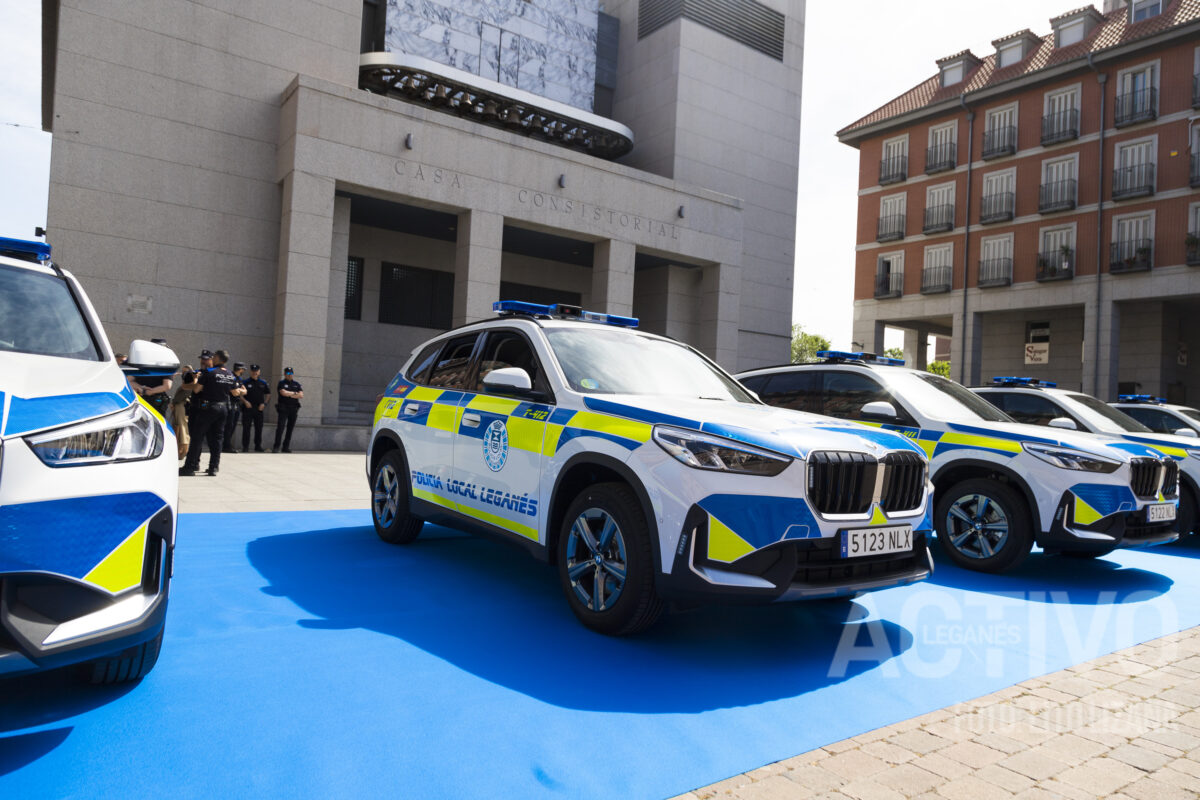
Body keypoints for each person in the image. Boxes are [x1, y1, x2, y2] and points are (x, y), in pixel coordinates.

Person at [179, 349, 239, 476]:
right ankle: (214, 467)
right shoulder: (229, 374)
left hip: (208, 408)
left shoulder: (209, 372)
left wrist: (196, 381)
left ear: (216, 358)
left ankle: (189, 467)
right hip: (223, 408)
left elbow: (196, 390)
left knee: (197, 437)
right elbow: (235, 392)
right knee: (217, 439)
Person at [130, 337, 174, 419]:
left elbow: (129, 381)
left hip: (141, 400)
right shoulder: (167, 364)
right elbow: (167, 385)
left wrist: (142, 388)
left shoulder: (140, 361)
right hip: (154, 402)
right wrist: (150, 391)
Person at [240, 364, 271, 452]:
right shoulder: (245, 382)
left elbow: (268, 394)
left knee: (259, 428)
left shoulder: (263, 383)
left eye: (256, 371)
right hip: (248, 408)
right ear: (250, 372)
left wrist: (264, 404)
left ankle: (258, 446)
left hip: (259, 409)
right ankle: (245, 447)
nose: (255, 373)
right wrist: (245, 401)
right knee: (246, 428)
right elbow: (240, 394)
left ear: (259, 372)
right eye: (253, 371)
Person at [273, 367, 303, 453]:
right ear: (285, 374)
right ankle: (276, 447)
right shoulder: (281, 383)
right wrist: (294, 393)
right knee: (280, 428)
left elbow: (301, 395)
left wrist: (289, 394)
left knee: (290, 429)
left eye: (291, 373)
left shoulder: (297, 384)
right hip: (283, 408)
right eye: (288, 373)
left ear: (293, 374)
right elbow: (283, 393)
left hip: (293, 409)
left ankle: (285, 447)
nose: (289, 375)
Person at [222, 360, 247, 453]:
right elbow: (235, 392)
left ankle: (227, 444)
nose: (243, 371)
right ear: (240, 369)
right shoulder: (231, 377)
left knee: (232, 425)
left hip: (236, 404)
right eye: (243, 369)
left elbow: (245, 391)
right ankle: (226, 445)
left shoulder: (239, 378)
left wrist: (239, 390)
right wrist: (240, 391)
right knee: (228, 425)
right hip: (230, 404)